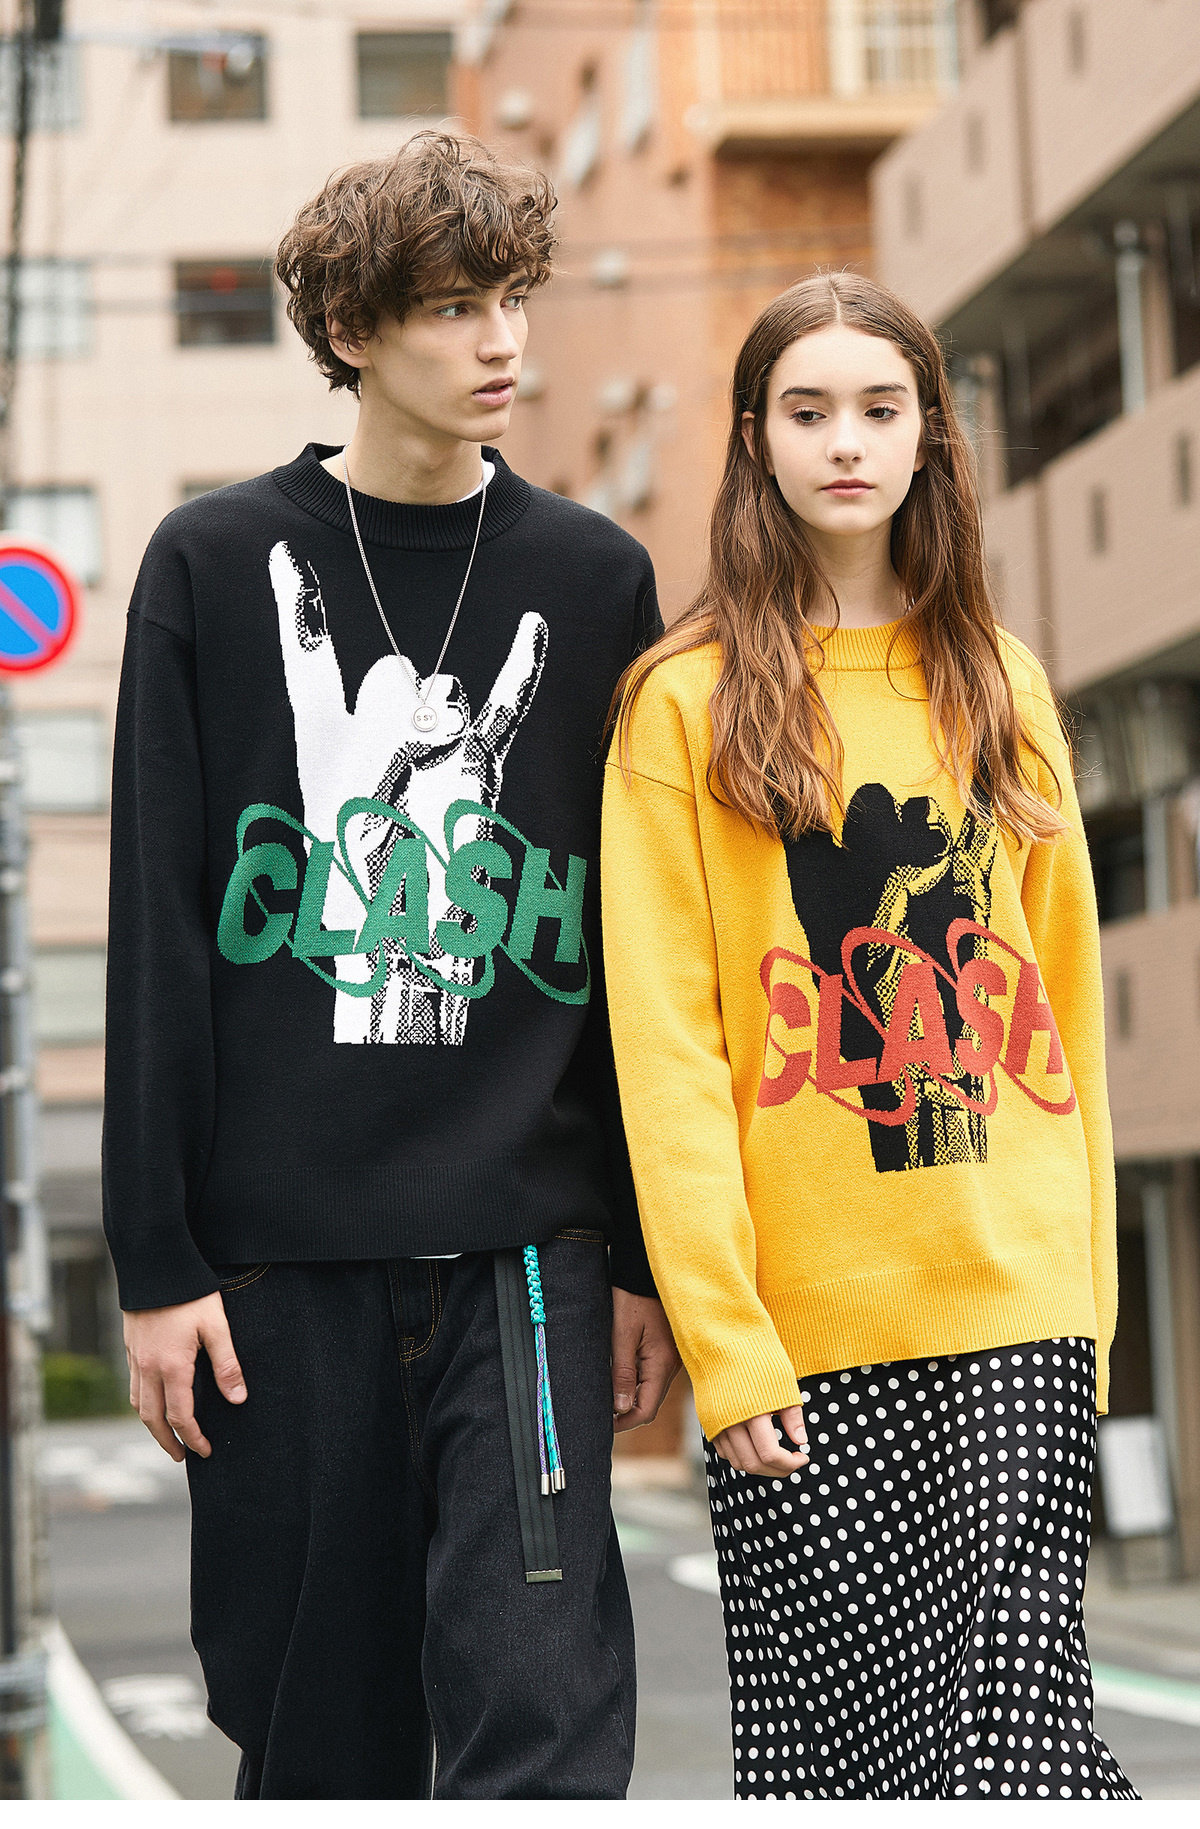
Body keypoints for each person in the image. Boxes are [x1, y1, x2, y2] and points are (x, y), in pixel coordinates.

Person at [103, 131, 679, 1801]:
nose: (503, 341)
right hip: (281, 1273)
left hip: (528, 1262)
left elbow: (640, 949)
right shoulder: (210, 566)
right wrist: (155, 1260)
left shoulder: (595, 579)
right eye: (451, 307)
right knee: (317, 1742)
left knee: (547, 1718)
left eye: (512, 300)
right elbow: (157, 933)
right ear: (350, 331)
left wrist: (642, 1254)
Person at [601, 272, 1136, 1801]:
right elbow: (670, 1052)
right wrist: (725, 1342)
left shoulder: (1001, 683)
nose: (846, 441)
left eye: (880, 408)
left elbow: (1070, 1014)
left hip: (1018, 1300)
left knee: (1024, 1748)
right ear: (753, 439)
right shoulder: (683, 706)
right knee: (846, 1769)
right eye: (809, 409)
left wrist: (1090, 1305)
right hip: (806, 1337)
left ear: (930, 436)